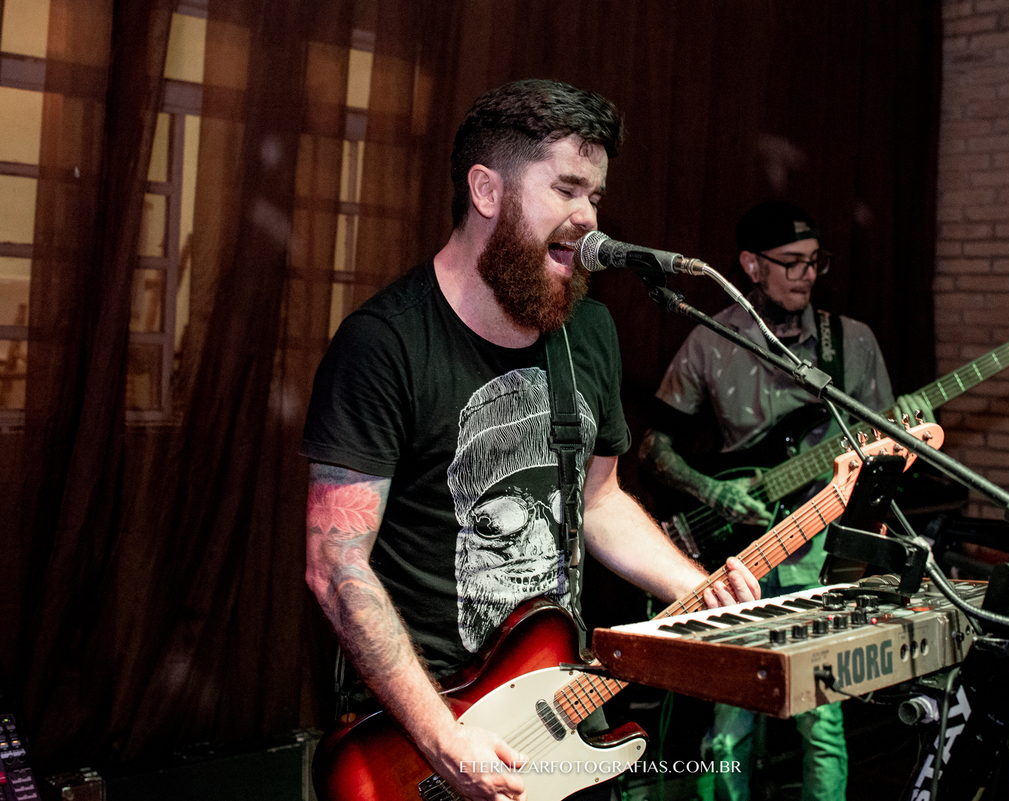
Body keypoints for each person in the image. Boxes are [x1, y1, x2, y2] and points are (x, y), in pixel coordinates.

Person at [301, 79, 760, 801]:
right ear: (487, 189)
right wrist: (443, 737)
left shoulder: (589, 333)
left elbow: (600, 498)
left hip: (557, 716)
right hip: (421, 737)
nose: (588, 219)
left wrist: (692, 588)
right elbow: (336, 566)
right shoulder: (384, 345)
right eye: (568, 189)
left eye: (597, 197)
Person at [639, 201, 925, 801]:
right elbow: (651, 447)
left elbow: (886, 445)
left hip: (819, 548)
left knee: (824, 718)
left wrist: (902, 443)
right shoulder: (709, 339)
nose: (806, 274)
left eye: (815, 262)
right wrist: (708, 488)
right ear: (750, 265)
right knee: (727, 726)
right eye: (790, 262)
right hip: (739, 551)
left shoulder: (851, 341)